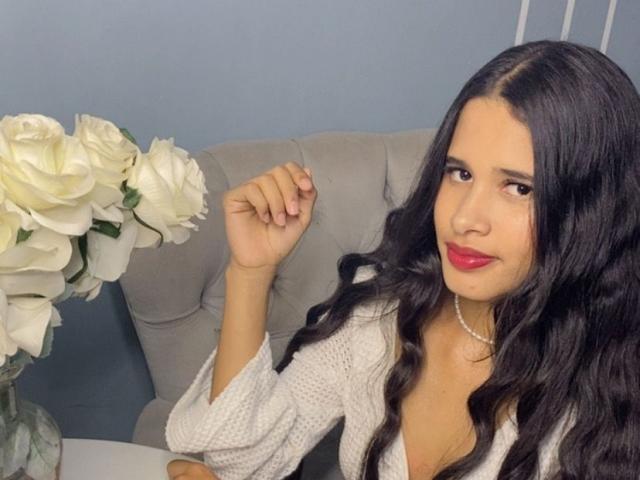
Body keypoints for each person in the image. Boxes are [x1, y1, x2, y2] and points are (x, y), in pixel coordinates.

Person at [165, 40, 640, 479]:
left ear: (592, 207)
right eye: (459, 173)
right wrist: (251, 271)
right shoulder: (380, 314)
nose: (464, 218)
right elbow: (244, 462)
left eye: (518, 188)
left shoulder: (613, 382)